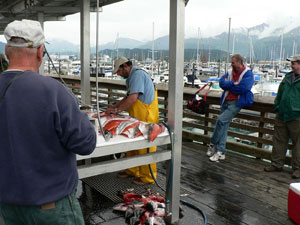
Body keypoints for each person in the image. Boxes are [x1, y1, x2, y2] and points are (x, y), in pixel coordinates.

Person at [0, 19, 97, 224]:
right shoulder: (53, 91)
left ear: (7, 50)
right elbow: (86, 144)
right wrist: (85, 121)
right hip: (51, 206)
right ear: (40, 52)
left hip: (7, 206)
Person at [106, 57, 159, 184]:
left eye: (118, 71)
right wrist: (114, 107)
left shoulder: (138, 75)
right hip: (136, 117)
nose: (118, 74)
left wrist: (117, 112)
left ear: (125, 66)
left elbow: (133, 99)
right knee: (132, 144)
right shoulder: (130, 78)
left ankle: (148, 177)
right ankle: (132, 169)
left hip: (146, 117)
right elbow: (127, 97)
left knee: (145, 147)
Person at [206, 54, 254, 162]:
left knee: (221, 120)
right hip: (225, 101)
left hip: (236, 102)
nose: (231, 65)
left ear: (239, 62)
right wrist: (233, 83)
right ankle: (220, 151)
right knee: (224, 125)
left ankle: (213, 143)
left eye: (233, 63)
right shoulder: (229, 72)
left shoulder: (248, 74)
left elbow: (244, 88)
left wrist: (230, 85)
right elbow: (222, 83)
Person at [264, 55, 300, 179]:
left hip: (297, 116)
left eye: (294, 63)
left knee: (298, 144)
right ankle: (276, 164)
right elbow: (280, 92)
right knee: (279, 140)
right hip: (282, 113)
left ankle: (298, 168)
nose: (291, 65)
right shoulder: (287, 76)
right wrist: (277, 106)